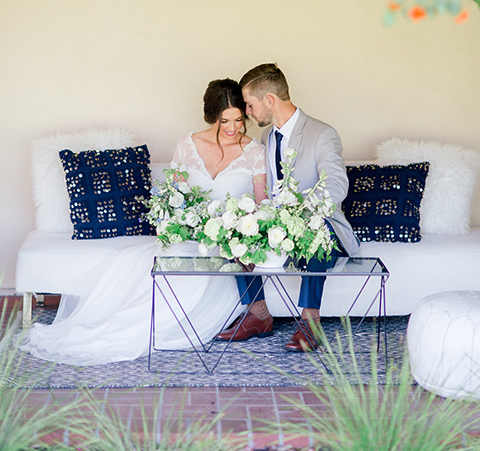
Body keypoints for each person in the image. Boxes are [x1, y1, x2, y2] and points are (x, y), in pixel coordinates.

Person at [20, 78, 267, 366]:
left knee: (193, 277)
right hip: (190, 236)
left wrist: (238, 232)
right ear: (212, 116)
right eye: (225, 120)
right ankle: (114, 328)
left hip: (226, 243)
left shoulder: (255, 152)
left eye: (239, 119)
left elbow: (261, 206)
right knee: (157, 262)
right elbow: (176, 196)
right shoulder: (189, 145)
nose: (233, 128)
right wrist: (179, 222)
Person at [217, 63, 359, 352]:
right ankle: (258, 316)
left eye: (250, 104)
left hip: (320, 225)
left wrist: (301, 216)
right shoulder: (267, 137)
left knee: (316, 234)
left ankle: (310, 323)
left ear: (269, 100)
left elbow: (335, 186)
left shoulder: (322, 134)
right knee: (234, 234)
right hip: (278, 226)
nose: (248, 112)